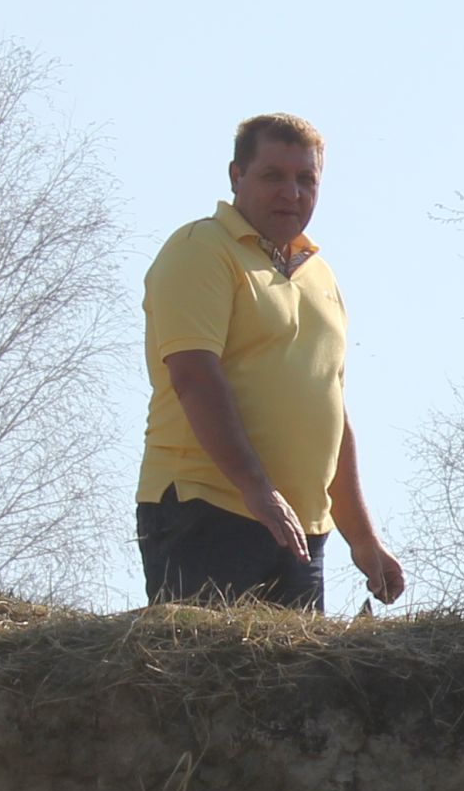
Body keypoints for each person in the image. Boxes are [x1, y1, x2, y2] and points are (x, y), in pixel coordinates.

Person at [136, 114, 407, 612]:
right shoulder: (202, 250)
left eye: (306, 179)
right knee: (206, 683)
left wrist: (363, 541)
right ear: (236, 176)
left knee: (290, 690)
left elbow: (329, 413)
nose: (291, 192)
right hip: (208, 509)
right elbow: (195, 376)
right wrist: (256, 489)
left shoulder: (320, 276)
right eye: (273, 176)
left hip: (301, 530)